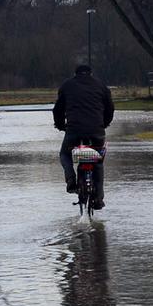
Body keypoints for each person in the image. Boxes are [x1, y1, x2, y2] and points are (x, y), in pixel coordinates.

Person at [53, 64, 115, 209]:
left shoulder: (67, 85)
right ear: (91, 74)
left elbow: (58, 110)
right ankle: (99, 198)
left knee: (64, 154)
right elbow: (110, 108)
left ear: (75, 74)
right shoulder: (101, 86)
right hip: (96, 131)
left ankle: (70, 179)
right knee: (98, 162)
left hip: (74, 130)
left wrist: (61, 125)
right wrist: (104, 124)